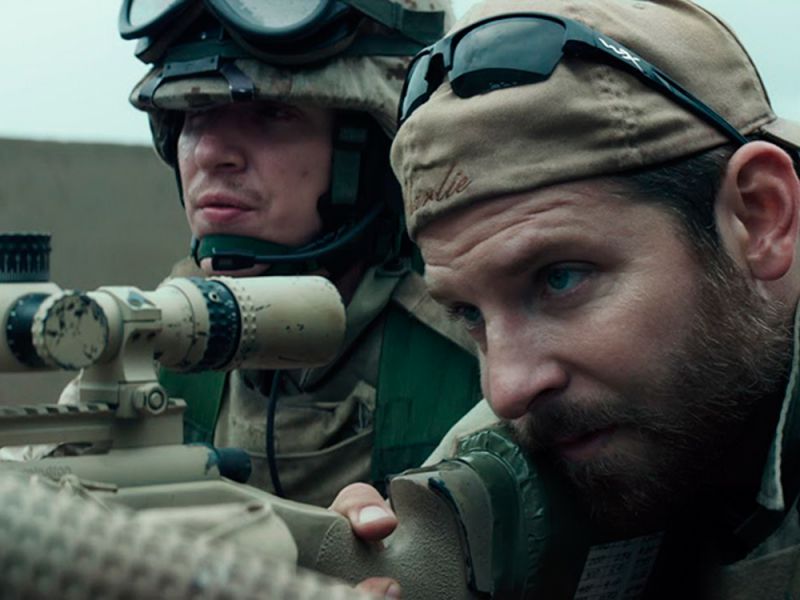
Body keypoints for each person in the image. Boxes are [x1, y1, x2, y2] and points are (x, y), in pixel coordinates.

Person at [332, 0, 800, 596]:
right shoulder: (540, 443)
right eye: (470, 314)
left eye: (559, 278)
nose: (505, 391)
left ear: (759, 217)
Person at [105, 0, 482, 507]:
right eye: (194, 115)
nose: (210, 154)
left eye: (272, 114)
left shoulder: (482, 348)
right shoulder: (156, 346)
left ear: (372, 149)